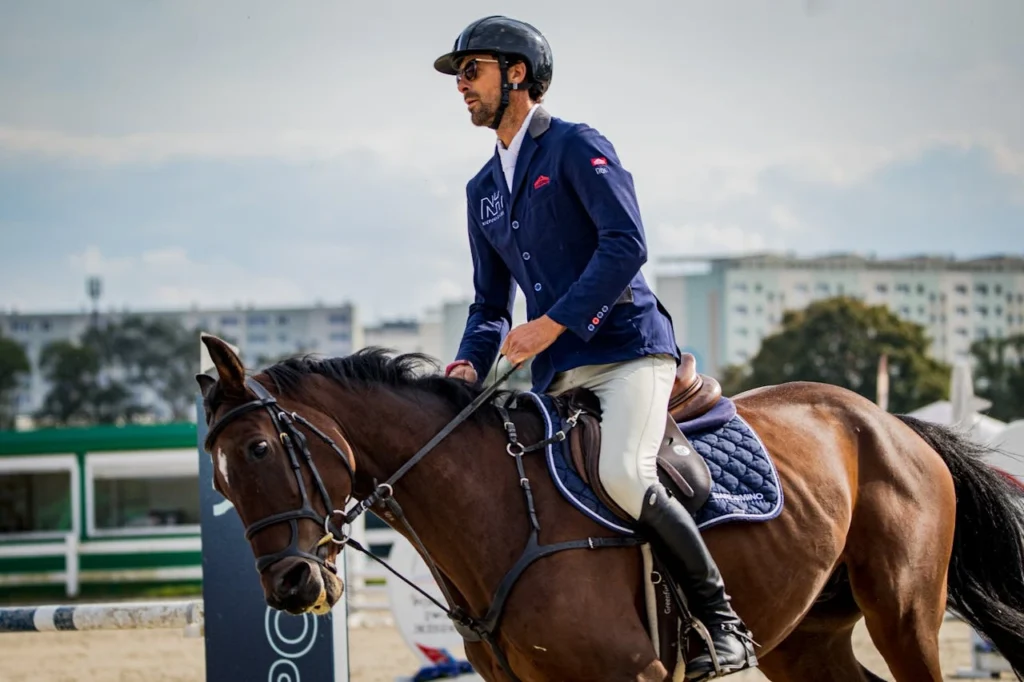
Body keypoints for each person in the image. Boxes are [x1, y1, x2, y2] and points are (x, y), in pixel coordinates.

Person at [433, 15, 758, 680]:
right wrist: (469, 359)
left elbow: (625, 245)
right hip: (556, 374)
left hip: (629, 351)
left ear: (516, 73)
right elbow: (490, 305)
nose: (461, 86)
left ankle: (721, 624)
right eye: (458, 76)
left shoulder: (577, 146)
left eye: (473, 70)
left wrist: (551, 324)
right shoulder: (481, 192)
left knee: (622, 474)